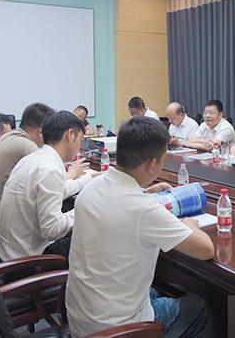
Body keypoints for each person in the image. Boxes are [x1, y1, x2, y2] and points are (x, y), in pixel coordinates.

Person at [66, 116, 214, 338]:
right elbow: (205, 250)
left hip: (81, 318)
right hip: (115, 330)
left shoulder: (92, 185)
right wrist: (191, 225)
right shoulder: (143, 209)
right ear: (152, 163)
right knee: (195, 306)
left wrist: (146, 192)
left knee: (153, 290)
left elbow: (121, 205)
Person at [0, 111, 97, 263]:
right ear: (70, 134)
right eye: (80, 140)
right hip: (28, 260)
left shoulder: (33, 159)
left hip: (9, 250)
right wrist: (85, 208)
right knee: (94, 235)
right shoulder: (50, 169)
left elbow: (55, 191)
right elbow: (52, 230)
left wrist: (88, 178)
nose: (79, 146)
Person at [0, 103, 61, 222]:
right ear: (41, 132)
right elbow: (49, 180)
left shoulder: (9, 136)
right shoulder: (26, 145)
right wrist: (72, 174)